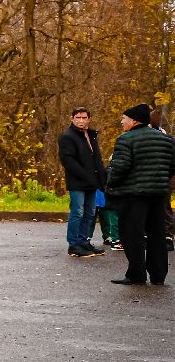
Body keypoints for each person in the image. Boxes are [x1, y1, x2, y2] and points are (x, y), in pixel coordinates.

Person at [103, 103, 173, 287]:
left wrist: (110, 184)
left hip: (132, 195)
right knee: (157, 234)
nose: (121, 121)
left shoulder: (126, 139)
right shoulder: (166, 139)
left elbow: (120, 168)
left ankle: (136, 274)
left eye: (124, 118)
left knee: (132, 235)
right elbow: (172, 166)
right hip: (158, 194)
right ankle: (158, 275)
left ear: (134, 120)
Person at [58, 106, 107, 258]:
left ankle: (83, 241)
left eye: (84, 118)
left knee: (90, 213)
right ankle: (73, 245)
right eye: (78, 117)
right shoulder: (67, 136)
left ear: (89, 119)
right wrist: (86, 176)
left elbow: (96, 159)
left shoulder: (91, 135)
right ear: (72, 119)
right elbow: (68, 161)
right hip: (77, 181)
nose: (81, 120)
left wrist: (102, 179)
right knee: (77, 212)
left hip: (92, 181)